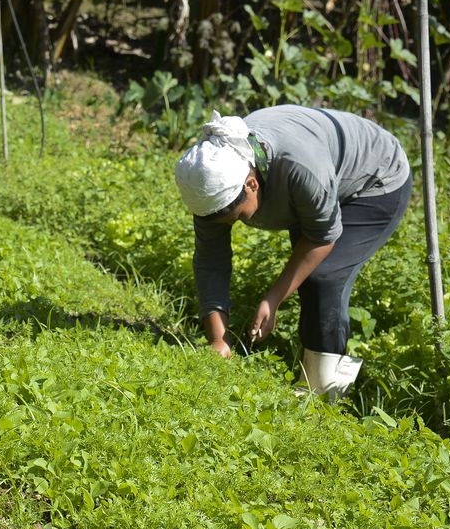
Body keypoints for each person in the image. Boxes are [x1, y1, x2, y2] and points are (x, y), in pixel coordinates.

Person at [174, 106, 411, 398]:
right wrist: (218, 339)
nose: (233, 224)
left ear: (252, 184)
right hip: (320, 179)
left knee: (323, 276)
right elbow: (211, 260)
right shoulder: (209, 185)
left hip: (375, 179)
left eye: (237, 216)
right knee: (307, 274)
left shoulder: (298, 167)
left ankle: (324, 391)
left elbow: (322, 238)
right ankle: (313, 369)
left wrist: (273, 299)